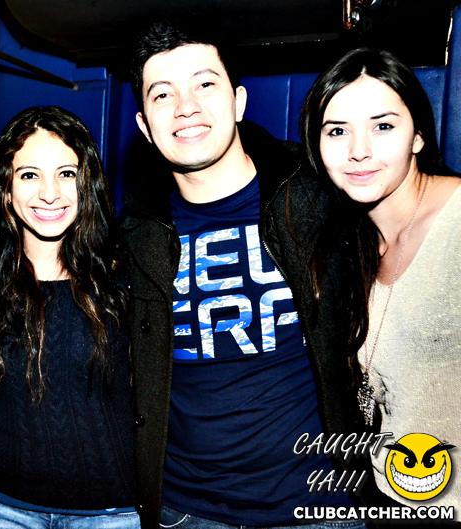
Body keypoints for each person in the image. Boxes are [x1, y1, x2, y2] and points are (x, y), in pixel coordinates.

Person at [120, 18, 365, 529]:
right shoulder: (134, 233)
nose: (185, 107)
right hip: (185, 512)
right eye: (162, 94)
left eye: (205, 84)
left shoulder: (319, 195)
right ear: (144, 125)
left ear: (238, 101)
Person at [0, 106, 138, 528]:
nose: (50, 193)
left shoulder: (125, 277)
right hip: (3, 511)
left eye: (66, 173)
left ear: (87, 184)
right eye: (29, 175)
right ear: (5, 189)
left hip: (109, 515)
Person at [297, 47, 461, 510]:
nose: (358, 150)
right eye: (337, 131)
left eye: (382, 126)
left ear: (418, 136)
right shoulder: (350, 244)